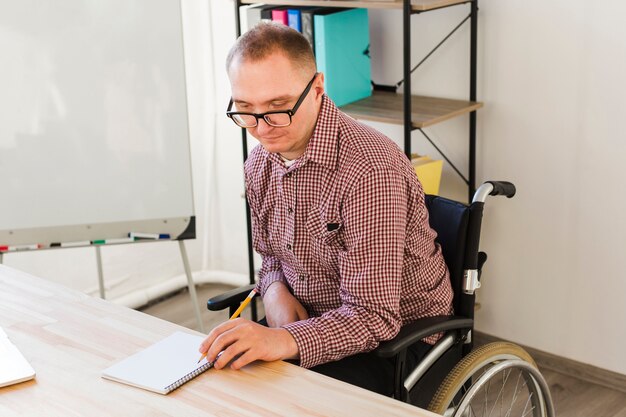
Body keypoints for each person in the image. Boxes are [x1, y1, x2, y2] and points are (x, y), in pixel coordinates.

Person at [199, 22, 453, 396]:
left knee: (279, 397)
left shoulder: (369, 170)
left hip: (402, 338)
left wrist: (284, 340)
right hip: (314, 315)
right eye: (245, 110)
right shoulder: (259, 165)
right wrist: (273, 291)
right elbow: (271, 256)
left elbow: (375, 317)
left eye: (277, 107)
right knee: (225, 383)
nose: (262, 128)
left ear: (317, 89)